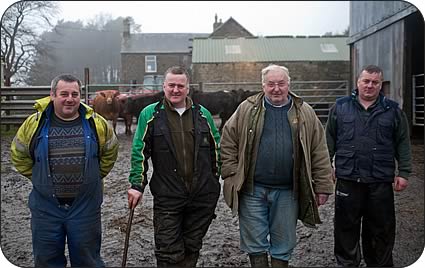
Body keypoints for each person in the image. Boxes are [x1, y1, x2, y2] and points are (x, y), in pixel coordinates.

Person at [220, 64, 334, 268]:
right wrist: (231, 173)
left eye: (281, 83)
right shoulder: (247, 108)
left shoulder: (304, 111)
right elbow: (228, 140)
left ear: (288, 84)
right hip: (252, 189)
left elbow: (319, 149)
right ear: (263, 86)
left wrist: (323, 185)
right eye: (271, 84)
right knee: (254, 241)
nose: (276, 89)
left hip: (287, 190)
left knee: (284, 241)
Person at [10, 74, 119, 267]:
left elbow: (110, 153)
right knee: (46, 260)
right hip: (46, 209)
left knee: (88, 261)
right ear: (52, 95)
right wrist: (40, 178)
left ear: (80, 96)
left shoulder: (97, 123)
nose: (70, 98)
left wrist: (91, 177)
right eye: (64, 93)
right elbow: (19, 156)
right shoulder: (34, 123)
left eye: (75, 94)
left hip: (86, 207)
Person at [127, 66, 221, 267]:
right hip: (168, 195)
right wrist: (137, 184)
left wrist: (215, 180)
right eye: (171, 85)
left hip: (202, 196)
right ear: (164, 86)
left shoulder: (203, 114)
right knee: (168, 249)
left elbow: (217, 148)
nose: (176, 90)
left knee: (192, 246)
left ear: (188, 88)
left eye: (180, 85)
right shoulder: (151, 114)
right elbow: (139, 150)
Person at [326, 65, 412, 267]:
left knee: (380, 229)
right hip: (348, 178)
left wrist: (404, 172)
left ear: (381, 85)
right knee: (345, 228)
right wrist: (326, 167)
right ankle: (347, 263)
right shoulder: (340, 107)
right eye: (366, 81)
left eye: (375, 82)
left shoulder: (392, 110)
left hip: (380, 181)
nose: (370, 85)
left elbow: (403, 143)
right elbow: (328, 140)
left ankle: (379, 264)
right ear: (358, 82)